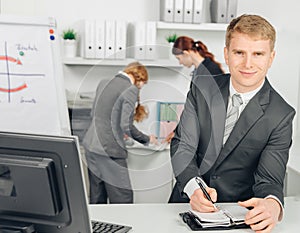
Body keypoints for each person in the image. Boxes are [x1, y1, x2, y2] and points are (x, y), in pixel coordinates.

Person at [169, 14, 295, 233]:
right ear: (226, 54)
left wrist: (273, 205)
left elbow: (269, 178)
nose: (248, 63)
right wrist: (193, 186)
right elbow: (183, 145)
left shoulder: (281, 114)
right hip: (185, 208)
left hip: (237, 218)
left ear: (271, 57)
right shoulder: (202, 88)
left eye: (258, 54)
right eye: (239, 53)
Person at [82, 61, 158, 204]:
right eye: (143, 83)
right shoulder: (130, 89)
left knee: (97, 197)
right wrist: (147, 139)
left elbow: (96, 114)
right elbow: (126, 126)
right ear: (139, 78)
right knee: (123, 197)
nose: (142, 87)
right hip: (109, 149)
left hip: (91, 145)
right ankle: (125, 227)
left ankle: (99, 226)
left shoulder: (104, 82)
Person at [164, 36, 224, 143]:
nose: (180, 63)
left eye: (179, 59)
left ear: (186, 53)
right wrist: (177, 131)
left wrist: (179, 132)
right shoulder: (199, 71)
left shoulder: (210, 70)